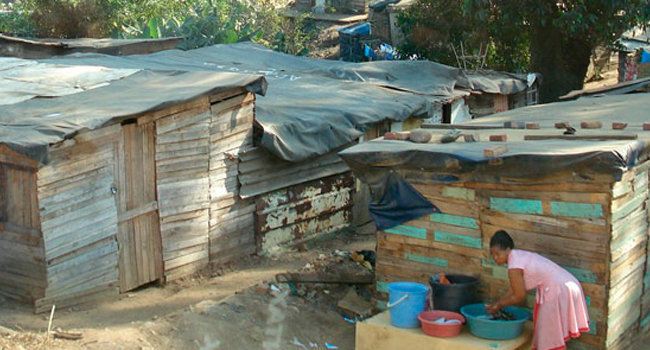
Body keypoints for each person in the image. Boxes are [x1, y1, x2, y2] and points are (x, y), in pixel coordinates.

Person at [486, 230, 590, 350]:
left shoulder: (514, 266)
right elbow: (514, 289)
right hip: (569, 284)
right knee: (552, 331)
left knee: (548, 335)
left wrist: (499, 305)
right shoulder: (519, 256)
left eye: (497, 254)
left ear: (508, 249)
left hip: (557, 290)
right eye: (492, 254)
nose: (495, 258)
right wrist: (498, 303)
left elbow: (519, 297)